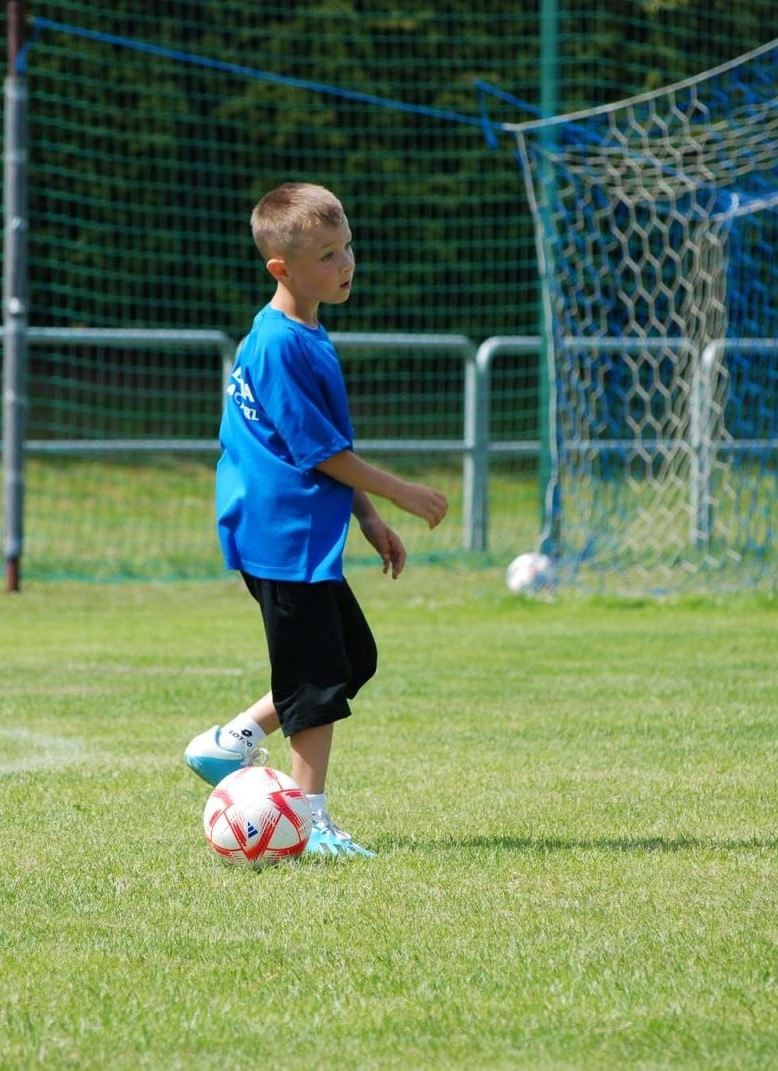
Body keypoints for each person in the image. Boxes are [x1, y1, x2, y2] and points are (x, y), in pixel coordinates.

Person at [183, 182, 449, 858]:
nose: (346, 263)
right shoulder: (277, 345)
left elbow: (324, 444)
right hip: (279, 535)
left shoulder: (306, 332)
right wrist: (399, 494)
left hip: (302, 534)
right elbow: (322, 451)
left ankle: (232, 742)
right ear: (284, 269)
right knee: (318, 682)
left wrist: (365, 516)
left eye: (347, 247)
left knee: (351, 658)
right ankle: (308, 820)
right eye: (328, 255)